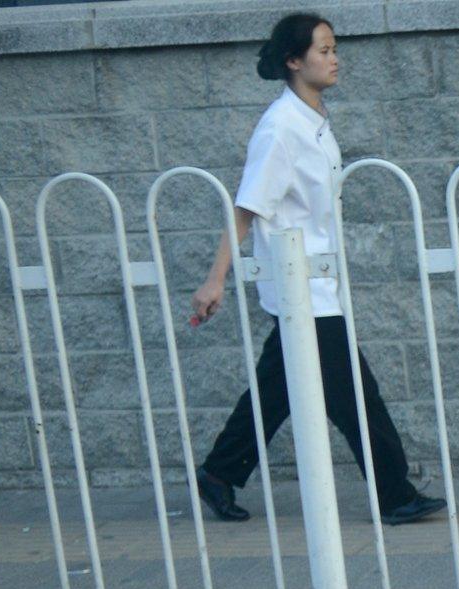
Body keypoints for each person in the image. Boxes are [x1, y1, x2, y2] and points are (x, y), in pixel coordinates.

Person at [188, 12, 444, 526]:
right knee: (355, 394)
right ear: (293, 60)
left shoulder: (313, 121)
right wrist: (216, 277)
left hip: (319, 281)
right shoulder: (281, 128)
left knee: (277, 388)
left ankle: (219, 472)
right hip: (300, 285)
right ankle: (394, 494)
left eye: (334, 48)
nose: (334, 58)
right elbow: (248, 205)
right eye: (323, 50)